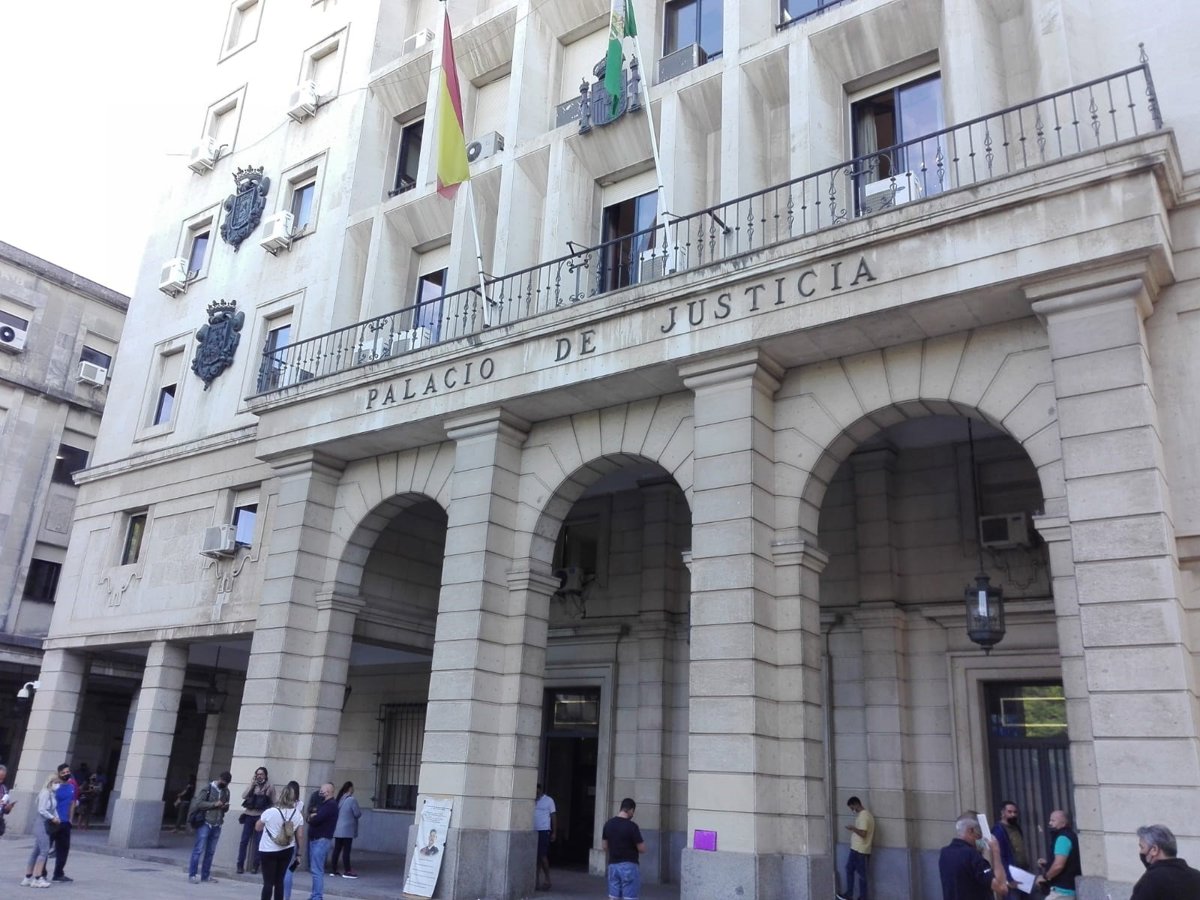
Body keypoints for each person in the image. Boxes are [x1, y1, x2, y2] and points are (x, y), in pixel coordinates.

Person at [939, 811, 1009, 899]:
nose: (982, 837)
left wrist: (980, 847)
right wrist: (996, 851)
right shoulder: (972, 856)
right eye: (980, 833)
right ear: (971, 830)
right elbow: (1001, 887)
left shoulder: (945, 853)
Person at [255, 783, 303, 900]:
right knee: (279, 881)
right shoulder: (297, 814)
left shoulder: (271, 812)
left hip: (268, 849)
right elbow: (300, 835)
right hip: (287, 849)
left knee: (268, 882)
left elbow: (257, 827)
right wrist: (299, 853)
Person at [1131, 824, 1200, 899]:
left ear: (1154, 849)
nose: (1141, 852)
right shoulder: (1196, 876)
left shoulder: (1150, 880)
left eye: (1142, 847)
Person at [187, 770, 232, 884]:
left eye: (227, 783)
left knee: (210, 851)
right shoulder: (208, 788)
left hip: (217, 823)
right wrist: (214, 804)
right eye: (223, 782)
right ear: (220, 779)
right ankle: (192, 875)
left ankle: (205, 875)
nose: (224, 785)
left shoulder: (226, 791)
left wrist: (225, 807)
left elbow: (225, 808)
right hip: (206, 822)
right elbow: (198, 803)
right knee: (198, 849)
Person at [602, 797, 646, 900]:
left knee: (613, 897)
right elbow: (642, 848)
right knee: (629, 897)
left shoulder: (608, 824)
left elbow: (604, 846)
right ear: (631, 810)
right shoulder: (632, 826)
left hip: (613, 865)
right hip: (629, 866)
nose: (633, 814)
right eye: (633, 812)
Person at [20, 772, 59, 888]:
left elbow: (54, 808)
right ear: (50, 782)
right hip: (42, 824)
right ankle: (37, 878)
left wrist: (57, 817)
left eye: (58, 782)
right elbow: (41, 809)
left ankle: (28, 877)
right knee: (44, 851)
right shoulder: (45, 793)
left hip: (46, 824)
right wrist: (52, 817)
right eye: (56, 782)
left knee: (36, 851)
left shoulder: (52, 794)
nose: (57, 785)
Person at [238, 766, 276, 875]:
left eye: (261, 774)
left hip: (261, 817)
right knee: (244, 841)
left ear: (265, 775)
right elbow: (244, 796)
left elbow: (274, 801)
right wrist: (251, 785)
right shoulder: (252, 785)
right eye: (258, 774)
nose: (259, 776)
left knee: (259, 842)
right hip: (249, 815)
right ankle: (240, 865)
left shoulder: (270, 786)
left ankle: (255, 865)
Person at [1036, 809, 1082, 898]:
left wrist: (1045, 877)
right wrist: (1048, 864)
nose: (1050, 823)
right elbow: (1068, 861)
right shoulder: (1070, 835)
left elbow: (1058, 866)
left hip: (1062, 891)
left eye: (1053, 820)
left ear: (1063, 823)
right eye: (1050, 820)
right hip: (1068, 889)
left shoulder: (1062, 838)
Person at [837, 796, 875, 900]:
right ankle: (853, 895)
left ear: (856, 804)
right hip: (860, 849)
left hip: (859, 850)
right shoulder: (867, 815)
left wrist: (853, 828)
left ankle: (855, 896)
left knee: (860, 874)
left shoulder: (863, 816)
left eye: (852, 807)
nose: (852, 810)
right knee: (852, 870)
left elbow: (863, 833)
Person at [306, 782, 337, 900]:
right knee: (315, 870)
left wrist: (312, 817)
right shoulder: (325, 804)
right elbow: (311, 816)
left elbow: (316, 819)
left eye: (322, 790)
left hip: (321, 840)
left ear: (328, 792)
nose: (320, 792)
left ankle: (317, 896)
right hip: (316, 840)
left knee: (317, 870)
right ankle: (315, 895)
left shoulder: (330, 805)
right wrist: (311, 816)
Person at [992, 800, 1030, 896]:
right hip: (1010, 873)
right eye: (1009, 812)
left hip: (1022, 871)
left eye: (1015, 812)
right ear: (1003, 813)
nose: (1013, 814)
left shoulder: (1016, 828)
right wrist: (1008, 878)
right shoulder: (998, 830)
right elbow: (1001, 856)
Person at [50, 762, 76, 882]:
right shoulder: (54, 787)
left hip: (65, 822)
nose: (66, 774)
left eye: (67, 772)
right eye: (63, 772)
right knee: (45, 848)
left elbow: (72, 803)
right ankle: (41, 873)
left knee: (63, 849)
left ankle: (58, 873)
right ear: (59, 774)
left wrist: (70, 819)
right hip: (53, 821)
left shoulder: (71, 787)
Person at [331, 781, 361, 878]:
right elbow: (357, 813)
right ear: (350, 788)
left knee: (337, 850)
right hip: (347, 830)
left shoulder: (339, 799)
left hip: (338, 829)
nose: (353, 789)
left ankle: (333, 870)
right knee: (346, 851)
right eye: (353, 787)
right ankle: (347, 870)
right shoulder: (351, 800)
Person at [282, 781, 306, 900]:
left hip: (278, 840)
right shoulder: (300, 805)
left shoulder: (279, 806)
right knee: (289, 870)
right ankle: (286, 897)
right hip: (292, 840)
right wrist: (299, 853)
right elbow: (300, 833)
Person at [534, 782, 558, 891]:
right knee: (536, 857)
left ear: (540, 790)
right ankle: (536, 881)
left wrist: (554, 832)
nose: (535, 793)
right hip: (533, 830)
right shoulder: (532, 800)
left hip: (544, 830)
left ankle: (547, 879)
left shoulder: (549, 800)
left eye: (537, 791)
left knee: (542, 856)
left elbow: (553, 816)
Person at [0, 764, 14, 837]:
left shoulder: (4, 789)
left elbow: (5, 809)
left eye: (2, 778)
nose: (1, 780)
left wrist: (8, 808)